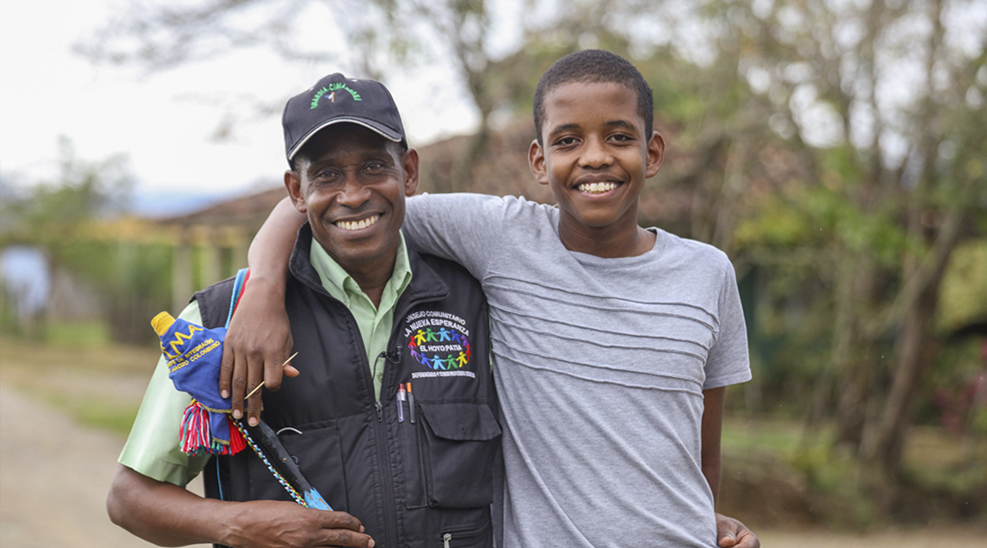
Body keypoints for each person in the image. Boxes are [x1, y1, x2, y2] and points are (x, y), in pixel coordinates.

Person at [229, 50, 760, 547]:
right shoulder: (502, 238)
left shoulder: (707, 274)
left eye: (619, 137)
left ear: (653, 151)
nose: (595, 158)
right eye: (568, 140)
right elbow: (331, 205)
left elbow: (701, 449)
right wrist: (263, 290)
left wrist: (705, 518)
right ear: (538, 158)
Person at [107, 73, 502, 548]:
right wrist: (239, 524)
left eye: (375, 166)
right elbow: (128, 499)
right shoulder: (219, 324)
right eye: (327, 175)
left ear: (410, 172)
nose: (353, 194)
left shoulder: (478, 302)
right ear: (296, 191)